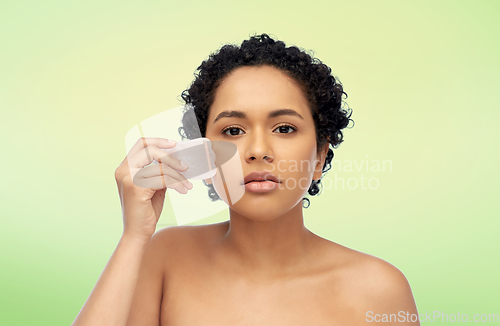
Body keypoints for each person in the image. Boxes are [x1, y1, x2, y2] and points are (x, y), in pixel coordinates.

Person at [72, 33, 420, 325]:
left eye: (284, 128)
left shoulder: (378, 289)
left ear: (319, 156)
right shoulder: (164, 257)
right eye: (233, 130)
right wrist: (134, 236)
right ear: (205, 153)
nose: (257, 150)